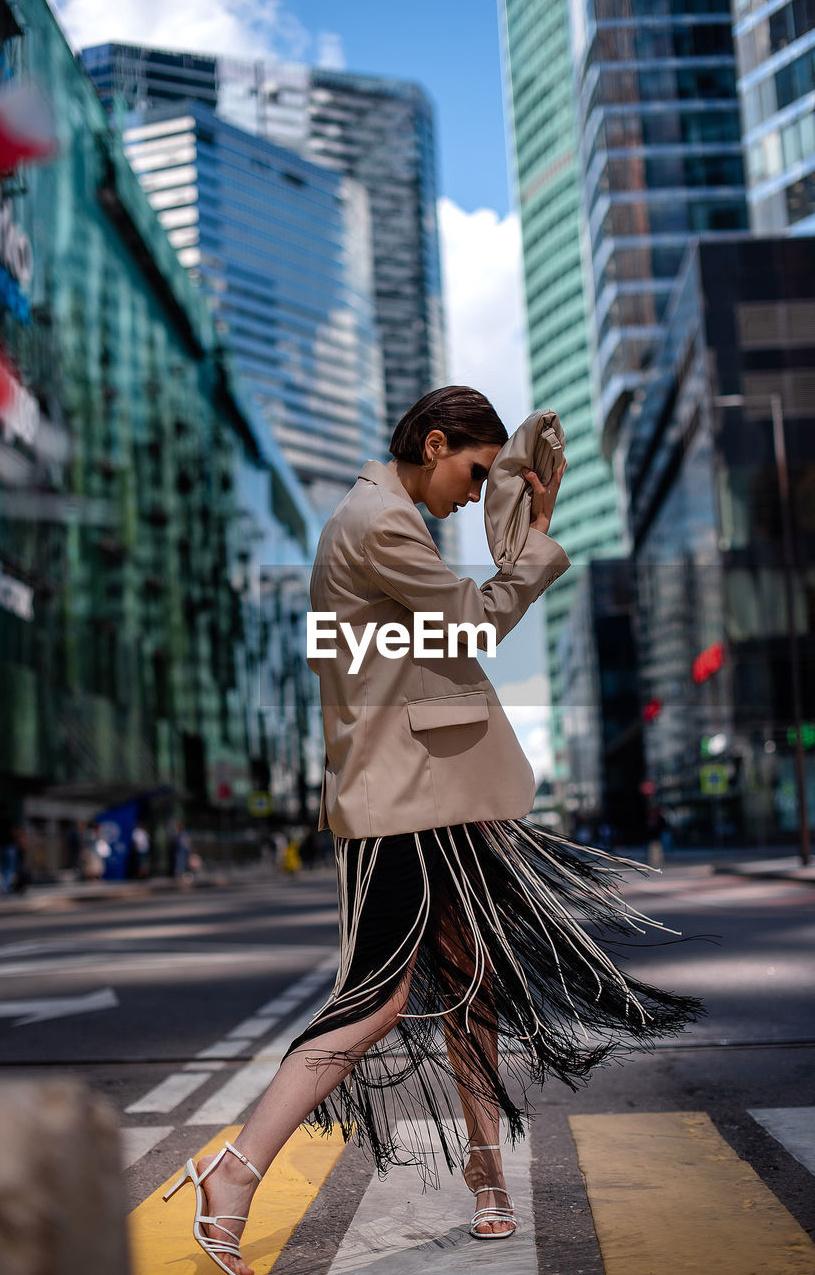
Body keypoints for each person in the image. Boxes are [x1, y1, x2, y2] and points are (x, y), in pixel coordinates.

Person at [164, 386, 702, 1274]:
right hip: (400, 803)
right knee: (373, 999)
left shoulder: (376, 516)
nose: (471, 493)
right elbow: (475, 625)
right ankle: (235, 1170)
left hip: (431, 792)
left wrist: (518, 520)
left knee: (469, 978)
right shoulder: (380, 522)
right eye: (474, 473)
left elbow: (408, 654)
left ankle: (487, 1170)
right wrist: (528, 551)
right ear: (436, 441)